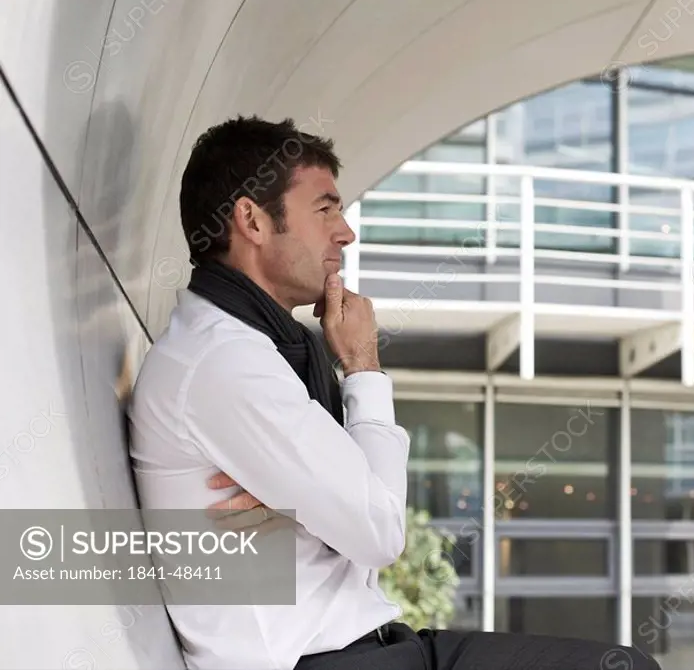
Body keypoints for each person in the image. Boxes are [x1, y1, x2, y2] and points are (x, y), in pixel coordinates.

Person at [128, 115, 661, 670]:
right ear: (252, 221)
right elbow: (380, 533)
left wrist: (322, 495)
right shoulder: (227, 363)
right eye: (325, 209)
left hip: (373, 648)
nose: (345, 232)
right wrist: (361, 366)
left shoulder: (262, 352)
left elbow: (363, 523)